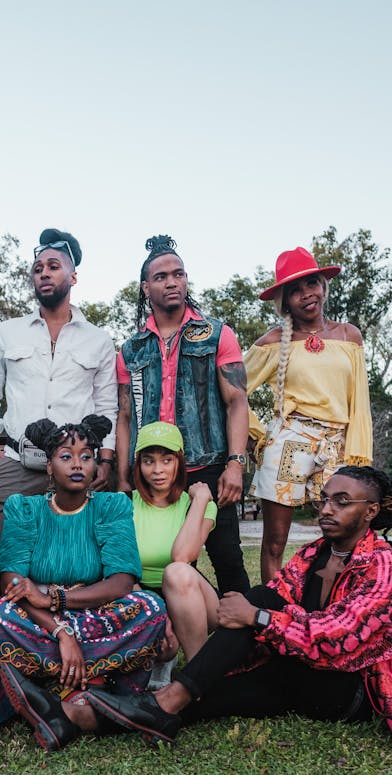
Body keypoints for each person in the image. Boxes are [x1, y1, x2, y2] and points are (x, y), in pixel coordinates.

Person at [77, 468, 392, 759]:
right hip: (293, 671)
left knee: (255, 617)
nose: (326, 509)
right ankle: (91, 717)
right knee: (213, 693)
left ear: (370, 511)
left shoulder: (383, 567)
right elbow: (274, 597)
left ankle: (162, 699)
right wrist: (255, 611)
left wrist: (257, 618)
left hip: (347, 688)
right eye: (323, 499)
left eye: (342, 502)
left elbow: (339, 638)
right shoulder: (314, 553)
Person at [0, 415, 169, 751]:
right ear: (48, 467)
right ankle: (88, 689)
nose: (77, 464)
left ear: (95, 466)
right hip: (41, 624)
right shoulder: (24, 508)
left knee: (151, 608)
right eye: (66, 457)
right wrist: (61, 632)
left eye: (86, 457)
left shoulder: (111, 506)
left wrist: (54, 599)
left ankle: (63, 693)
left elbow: (122, 581)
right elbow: (13, 582)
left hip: (92, 612)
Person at [0, 228, 118, 597]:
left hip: (77, 467)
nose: (44, 273)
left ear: (73, 277)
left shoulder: (98, 339)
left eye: (53, 266)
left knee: (81, 561)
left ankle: (70, 640)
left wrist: (103, 459)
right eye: (38, 268)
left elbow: (106, 405)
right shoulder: (8, 332)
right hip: (17, 466)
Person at [116, 235, 250, 595]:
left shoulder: (217, 334)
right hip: (152, 470)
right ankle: (166, 640)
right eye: (160, 277)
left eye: (178, 274)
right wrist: (124, 478)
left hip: (208, 465)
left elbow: (237, 401)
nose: (171, 281)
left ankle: (247, 646)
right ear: (145, 288)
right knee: (161, 565)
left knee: (227, 558)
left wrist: (235, 463)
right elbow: (125, 416)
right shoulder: (130, 349)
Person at [246, 246, 373, 582]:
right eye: (295, 291)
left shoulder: (349, 336)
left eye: (312, 284)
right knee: (275, 542)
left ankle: (329, 612)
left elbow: (360, 402)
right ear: (285, 300)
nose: (306, 295)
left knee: (342, 536)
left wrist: (359, 458)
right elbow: (230, 391)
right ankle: (273, 612)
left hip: (336, 445)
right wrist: (258, 436)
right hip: (289, 444)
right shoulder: (273, 342)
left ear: (323, 286)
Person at [131, 421, 218, 663]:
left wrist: (200, 499)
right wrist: (156, 613)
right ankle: (156, 664)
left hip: (190, 597)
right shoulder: (124, 502)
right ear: (139, 464)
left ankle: (197, 673)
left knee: (177, 571)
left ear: (179, 462)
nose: (158, 470)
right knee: (162, 649)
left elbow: (183, 556)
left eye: (167, 460)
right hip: (141, 595)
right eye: (149, 461)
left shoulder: (199, 505)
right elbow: (118, 569)